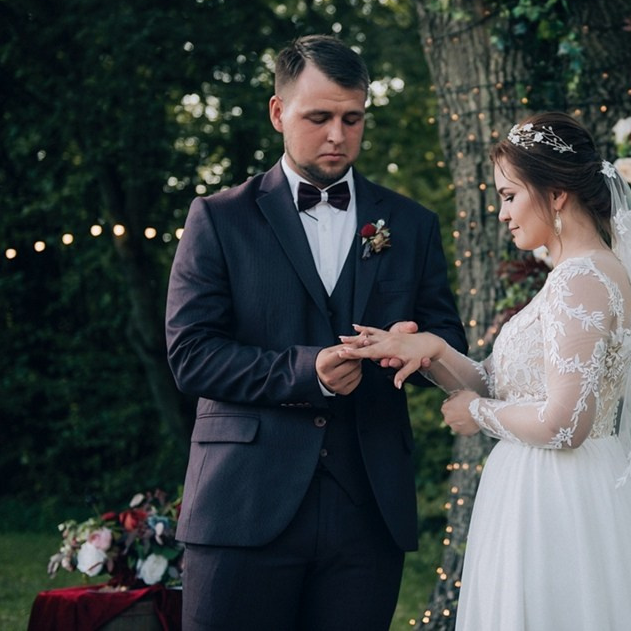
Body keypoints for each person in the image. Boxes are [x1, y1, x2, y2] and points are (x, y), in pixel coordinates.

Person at [344, 111, 631, 630]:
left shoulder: (579, 280)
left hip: (561, 500)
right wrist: (431, 349)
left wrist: (477, 413)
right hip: (553, 489)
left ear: (556, 194)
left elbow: (566, 422)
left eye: (509, 196)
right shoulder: (580, 274)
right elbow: (501, 385)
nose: (503, 214)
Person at [165, 34, 468, 630]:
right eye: (319, 117)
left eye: (352, 119)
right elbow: (192, 355)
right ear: (278, 112)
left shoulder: (410, 224)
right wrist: (309, 372)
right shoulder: (219, 218)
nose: (338, 135)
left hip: (367, 511)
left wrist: (416, 348)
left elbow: (445, 341)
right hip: (243, 503)